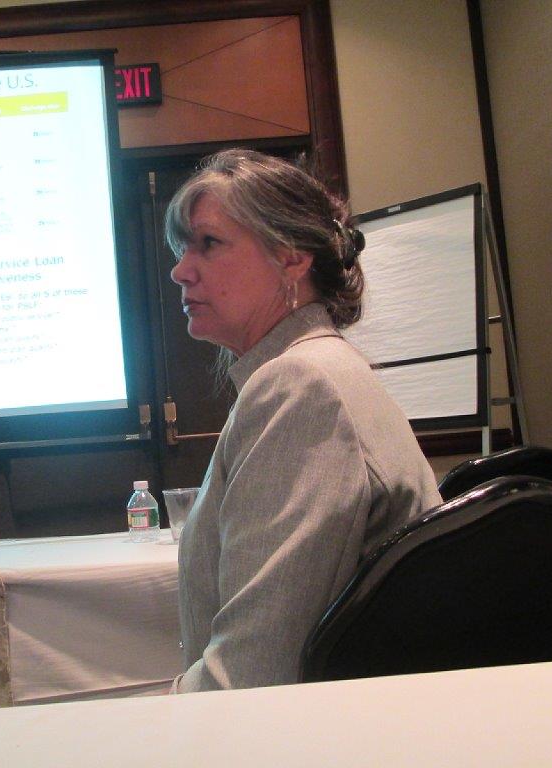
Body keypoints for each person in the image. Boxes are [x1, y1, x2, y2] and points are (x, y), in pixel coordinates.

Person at [165, 149, 442, 693]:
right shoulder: (319, 368)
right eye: (182, 249)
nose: (180, 270)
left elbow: (251, 677)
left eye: (209, 243)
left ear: (292, 256)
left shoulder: (302, 384)